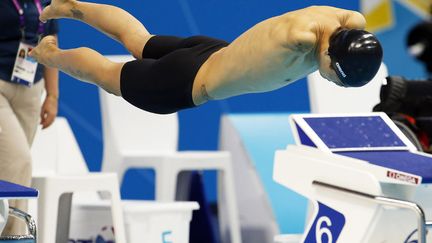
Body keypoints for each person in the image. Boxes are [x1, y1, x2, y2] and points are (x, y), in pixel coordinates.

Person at [30, 0, 382, 115]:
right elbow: (298, 38)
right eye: (335, 75)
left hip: (210, 50)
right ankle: (53, 54)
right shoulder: (299, 41)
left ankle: (70, 6)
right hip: (190, 81)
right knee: (108, 76)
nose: (331, 81)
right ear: (329, 56)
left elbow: (354, 28)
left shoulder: (346, 22)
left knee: (139, 40)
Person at [0, 0, 59, 235]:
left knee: (10, 172)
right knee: (19, 160)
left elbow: (51, 42)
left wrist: (52, 95)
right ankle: (13, 236)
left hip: (32, 86)